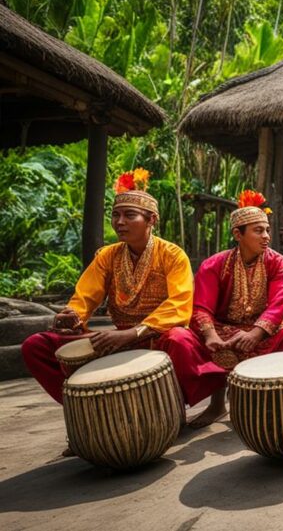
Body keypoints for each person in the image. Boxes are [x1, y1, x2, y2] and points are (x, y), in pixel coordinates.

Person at [21, 170, 193, 453]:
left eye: (129, 215)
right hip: (112, 338)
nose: (120, 222)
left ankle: (171, 415)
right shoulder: (107, 256)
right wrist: (72, 316)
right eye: (116, 215)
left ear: (152, 220)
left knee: (181, 340)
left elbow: (179, 305)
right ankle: (88, 420)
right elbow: (84, 298)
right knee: (36, 346)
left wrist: (132, 334)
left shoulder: (173, 255)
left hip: (154, 335)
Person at [158, 190, 283, 428]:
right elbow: (201, 307)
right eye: (258, 230)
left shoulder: (277, 262)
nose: (266, 237)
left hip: (261, 330)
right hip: (220, 330)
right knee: (178, 338)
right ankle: (217, 404)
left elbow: (279, 303)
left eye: (267, 230)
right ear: (237, 234)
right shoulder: (214, 264)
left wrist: (255, 334)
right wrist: (211, 336)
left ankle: (269, 401)